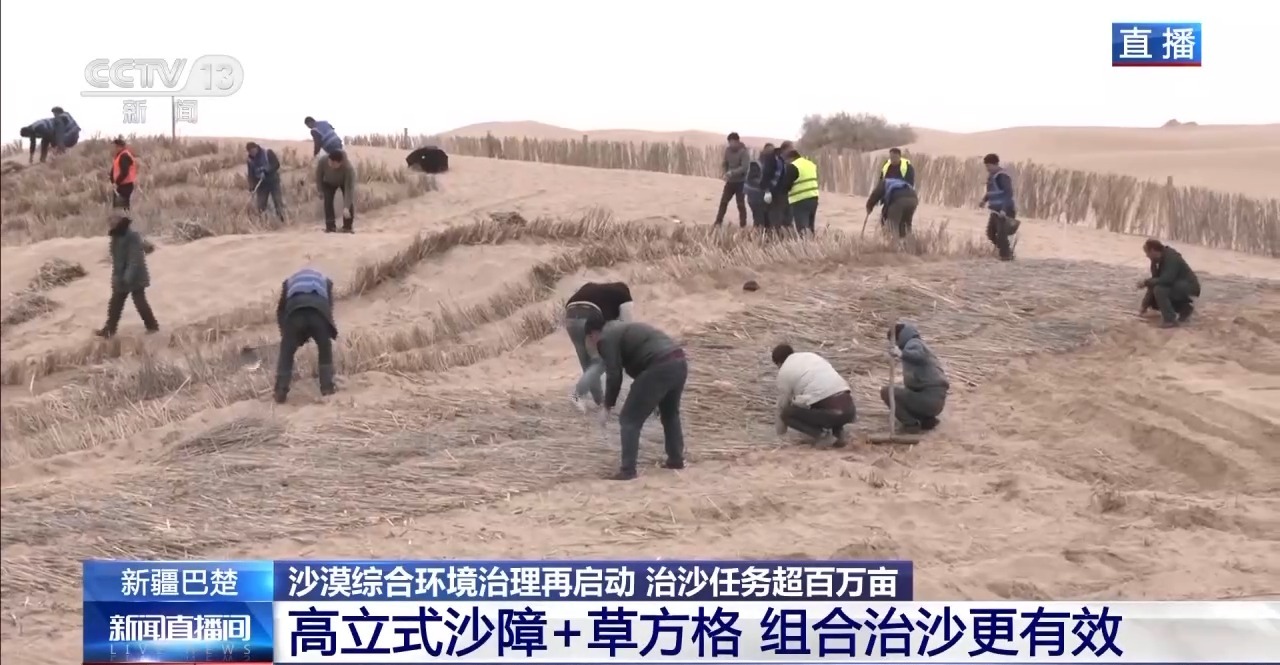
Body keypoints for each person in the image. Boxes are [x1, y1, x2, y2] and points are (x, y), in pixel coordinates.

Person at [587, 320, 687, 480]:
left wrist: (607, 406)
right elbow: (640, 365)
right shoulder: (621, 328)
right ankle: (676, 460)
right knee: (670, 414)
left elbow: (614, 374)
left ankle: (628, 470)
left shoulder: (605, 339)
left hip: (659, 365)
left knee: (629, 419)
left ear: (593, 334)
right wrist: (653, 396)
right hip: (679, 362)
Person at [563, 281, 634, 408]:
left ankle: (599, 401)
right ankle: (577, 394)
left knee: (587, 365)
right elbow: (626, 324)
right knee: (600, 362)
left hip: (570, 317)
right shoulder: (624, 295)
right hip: (589, 316)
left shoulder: (593, 288)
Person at [274, 267, 339, 403]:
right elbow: (328, 308)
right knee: (324, 348)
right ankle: (327, 387)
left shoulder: (288, 282)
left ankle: (280, 391)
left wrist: (287, 335)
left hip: (295, 311)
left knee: (286, 351)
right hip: (319, 310)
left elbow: (281, 311)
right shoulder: (326, 281)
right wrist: (328, 332)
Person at [772, 344, 857, 448]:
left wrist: (779, 436)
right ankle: (839, 436)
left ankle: (824, 437)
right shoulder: (810, 357)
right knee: (819, 399)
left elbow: (782, 407)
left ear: (779, 363)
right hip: (849, 410)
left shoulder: (784, 371)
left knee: (787, 413)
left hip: (833, 413)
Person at [95, 216, 159, 339]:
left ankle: (152, 326)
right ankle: (109, 330)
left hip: (135, 276)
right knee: (115, 304)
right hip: (121, 275)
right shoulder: (116, 236)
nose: (110, 224)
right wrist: (118, 276)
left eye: (112, 222)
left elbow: (134, 259)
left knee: (140, 303)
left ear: (119, 223)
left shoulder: (131, 236)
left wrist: (128, 277)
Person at [881, 322, 949, 434]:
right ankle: (927, 420)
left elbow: (918, 356)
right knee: (906, 391)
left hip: (928, 398)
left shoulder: (913, 344)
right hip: (936, 399)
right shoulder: (919, 344)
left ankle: (911, 424)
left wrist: (902, 354)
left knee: (887, 392)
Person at [1137, 239, 1201, 328]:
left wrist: (1145, 282)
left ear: (1153, 250)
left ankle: (1170, 320)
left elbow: (1167, 279)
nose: (1146, 256)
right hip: (1177, 285)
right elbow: (1154, 282)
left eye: (1147, 253)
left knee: (1159, 290)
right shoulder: (1157, 260)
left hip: (1189, 286)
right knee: (1154, 300)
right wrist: (1143, 307)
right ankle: (1185, 308)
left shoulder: (1171, 258)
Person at [980, 153, 1018, 261]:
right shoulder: (991, 176)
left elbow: (1008, 194)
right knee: (990, 233)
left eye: (989, 166)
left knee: (1001, 234)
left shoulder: (1003, 176)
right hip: (995, 210)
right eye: (986, 166)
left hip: (1005, 210)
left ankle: (1006, 256)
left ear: (995, 164)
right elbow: (990, 192)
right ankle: (1006, 251)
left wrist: (1004, 210)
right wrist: (984, 200)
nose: (987, 168)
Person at [314, 149, 356, 233]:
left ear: (340, 163)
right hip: (328, 182)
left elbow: (349, 189)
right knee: (328, 201)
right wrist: (320, 190)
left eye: (334, 163)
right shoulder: (323, 161)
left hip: (344, 183)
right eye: (330, 162)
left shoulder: (348, 168)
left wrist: (346, 207)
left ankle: (347, 227)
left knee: (348, 204)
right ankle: (330, 226)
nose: (331, 165)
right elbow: (318, 176)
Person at [714, 132, 751, 227]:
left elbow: (744, 167)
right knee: (723, 202)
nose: (731, 144)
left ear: (737, 141)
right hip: (730, 182)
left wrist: (732, 172)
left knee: (740, 204)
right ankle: (718, 222)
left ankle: (743, 225)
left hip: (741, 182)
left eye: (733, 142)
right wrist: (725, 172)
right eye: (729, 142)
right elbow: (725, 163)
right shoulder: (728, 151)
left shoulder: (744, 152)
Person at [784, 149, 820, 235]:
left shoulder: (793, 166)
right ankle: (812, 242)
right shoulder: (810, 164)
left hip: (800, 200)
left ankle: (805, 243)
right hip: (813, 198)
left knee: (802, 228)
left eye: (786, 160)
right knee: (810, 227)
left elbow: (787, 185)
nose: (786, 163)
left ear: (790, 158)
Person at [246, 142, 285, 221]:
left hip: (273, 182)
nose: (252, 153)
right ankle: (263, 222)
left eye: (253, 151)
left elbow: (276, 164)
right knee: (261, 205)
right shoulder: (250, 160)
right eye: (250, 152)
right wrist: (252, 187)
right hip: (262, 185)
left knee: (277, 202)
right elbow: (251, 175)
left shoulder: (268, 153)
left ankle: (282, 220)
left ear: (256, 148)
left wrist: (267, 171)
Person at [108, 138, 137, 211]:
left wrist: (116, 183)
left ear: (120, 147)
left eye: (115, 146)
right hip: (121, 185)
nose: (114, 149)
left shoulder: (124, 156)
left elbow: (124, 172)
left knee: (121, 210)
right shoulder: (120, 156)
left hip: (125, 186)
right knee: (120, 209)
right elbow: (114, 169)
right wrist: (112, 180)